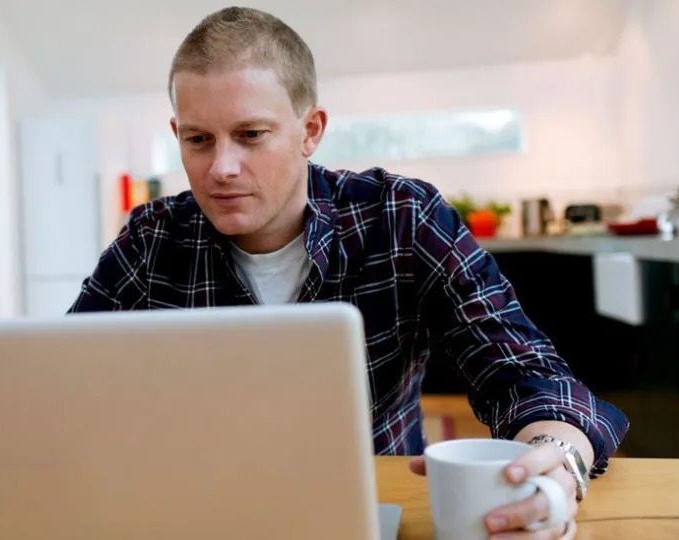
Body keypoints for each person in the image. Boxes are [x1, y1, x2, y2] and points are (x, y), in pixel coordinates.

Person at [69, 6, 629, 539]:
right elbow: (66, 388)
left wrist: (561, 461)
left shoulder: (402, 217)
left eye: (251, 135)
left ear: (310, 130)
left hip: (370, 510)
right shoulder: (151, 239)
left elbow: (525, 372)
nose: (222, 168)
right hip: (197, 510)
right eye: (198, 140)